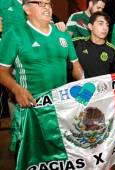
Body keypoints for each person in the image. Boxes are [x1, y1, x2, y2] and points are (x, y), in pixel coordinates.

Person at [0, 0, 83, 153]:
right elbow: (2, 71)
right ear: (26, 9)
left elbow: (76, 68)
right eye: (39, 3)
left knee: (60, 158)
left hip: (60, 109)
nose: (46, 6)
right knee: (32, 158)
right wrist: (16, 89)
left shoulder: (62, 34)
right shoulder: (15, 34)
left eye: (48, 3)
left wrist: (86, 84)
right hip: (32, 112)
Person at [73, 11, 115, 78]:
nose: (105, 28)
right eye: (100, 24)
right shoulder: (78, 43)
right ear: (90, 26)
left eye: (107, 25)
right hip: (82, 88)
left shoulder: (112, 50)